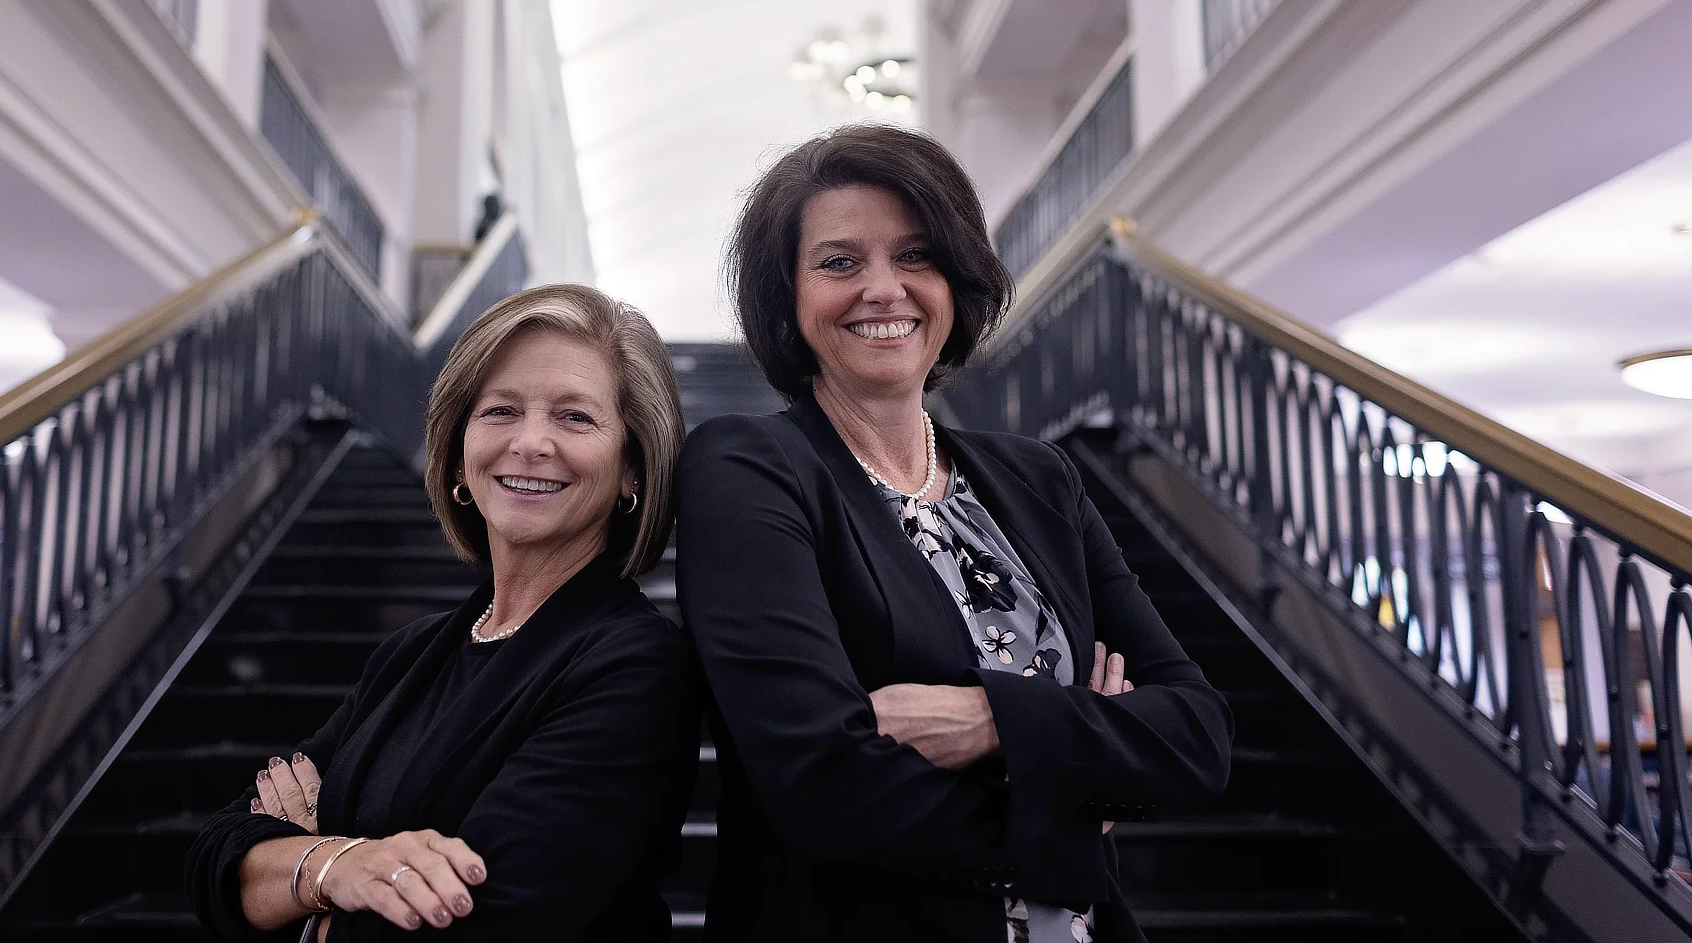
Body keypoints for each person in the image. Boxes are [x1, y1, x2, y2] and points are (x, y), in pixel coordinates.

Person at [676, 126, 1233, 942]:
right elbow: (823, 782)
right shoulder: (747, 468)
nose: (883, 289)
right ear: (786, 297)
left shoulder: (1040, 480)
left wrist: (990, 721)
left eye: (916, 256)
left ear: (955, 280)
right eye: (839, 262)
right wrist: (1081, 782)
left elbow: (1196, 731)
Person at [187, 284, 699, 942]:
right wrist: (337, 866)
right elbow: (215, 861)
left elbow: (483, 921)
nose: (531, 443)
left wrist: (309, 892)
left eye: (575, 417)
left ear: (632, 468)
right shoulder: (411, 655)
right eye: (500, 411)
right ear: (459, 454)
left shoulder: (637, 665)